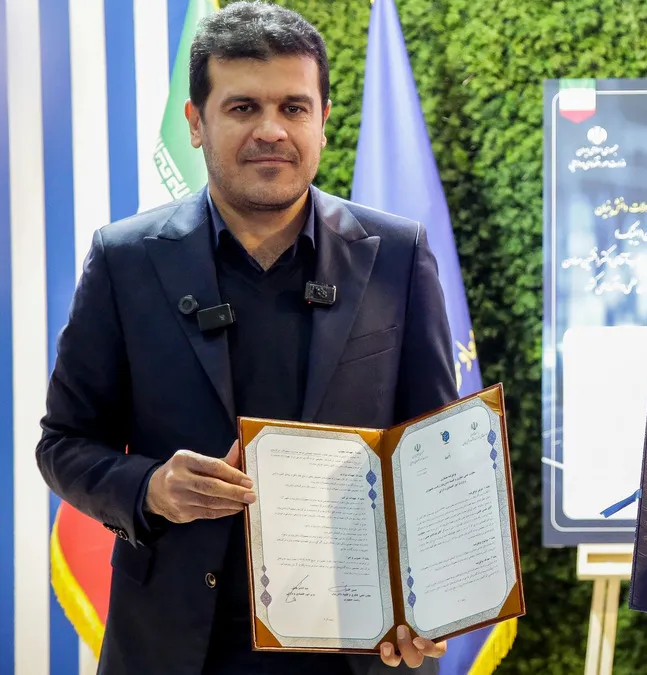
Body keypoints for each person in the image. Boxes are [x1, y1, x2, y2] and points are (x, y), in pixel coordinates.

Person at [35, 2, 453, 673]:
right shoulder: (126, 259)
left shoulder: (397, 255)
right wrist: (151, 487)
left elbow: (437, 454)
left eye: (293, 107)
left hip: (358, 645)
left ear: (322, 119)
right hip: (175, 645)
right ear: (195, 122)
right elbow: (63, 443)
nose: (271, 130)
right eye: (242, 108)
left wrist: (431, 604)